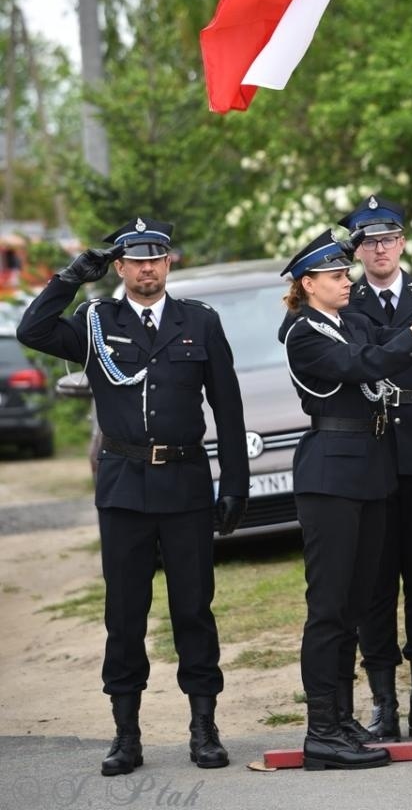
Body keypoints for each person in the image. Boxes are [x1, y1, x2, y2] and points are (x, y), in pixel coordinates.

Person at [16, 217, 249, 775]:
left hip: (186, 486)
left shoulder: (199, 321)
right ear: (119, 266)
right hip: (123, 488)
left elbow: (228, 408)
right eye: (136, 260)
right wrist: (71, 277)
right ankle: (126, 734)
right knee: (124, 615)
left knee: (193, 609)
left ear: (169, 262)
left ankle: (204, 728)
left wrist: (235, 485)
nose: (148, 269)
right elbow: (32, 330)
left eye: (156, 258)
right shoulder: (97, 320)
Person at [278, 228, 412, 771]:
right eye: (336, 275)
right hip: (331, 475)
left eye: (345, 272)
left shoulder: (350, 321)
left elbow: (393, 338)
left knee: (355, 606)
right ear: (308, 284)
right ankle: (321, 730)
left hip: (370, 472)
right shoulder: (303, 333)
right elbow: (370, 364)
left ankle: (341, 719)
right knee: (329, 608)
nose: (348, 280)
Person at [337, 195, 412, 742]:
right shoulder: (347, 301)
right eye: (369, 242)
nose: (380, 249)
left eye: (388, 239)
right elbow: (371, 357)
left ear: (403, 242)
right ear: (357, 250)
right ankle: (383, 702)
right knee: (374, 584)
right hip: (372, 449)